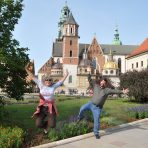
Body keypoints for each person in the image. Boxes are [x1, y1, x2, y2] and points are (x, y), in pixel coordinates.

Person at [77, 74, 129, 139]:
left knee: (97, 120)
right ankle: (80, 117)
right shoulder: (96, 86)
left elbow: (115, 91)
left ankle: (96, 133)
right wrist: (89, 74)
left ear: (105, 84)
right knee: (82, 108)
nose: (102, 83)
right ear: (100, 81)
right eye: (102, 82)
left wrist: (122, 91)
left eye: (104, 83)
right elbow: (90, 81)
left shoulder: (107, 90)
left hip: (97, 108)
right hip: (90, 104)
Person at [25, 62, 69, 134]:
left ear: (51, 81)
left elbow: (60, 82)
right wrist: (27, 69)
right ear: (44, 81)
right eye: (47, 80)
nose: (48, 81)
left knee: (52, 125)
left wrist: (66, 75)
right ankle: (45, 126)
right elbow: (32, 76)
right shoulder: (41, 85)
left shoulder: (53, 86)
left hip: (50, 108)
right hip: (42, 108)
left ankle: (51, 122)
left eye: (50, 80)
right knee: (38, 124)